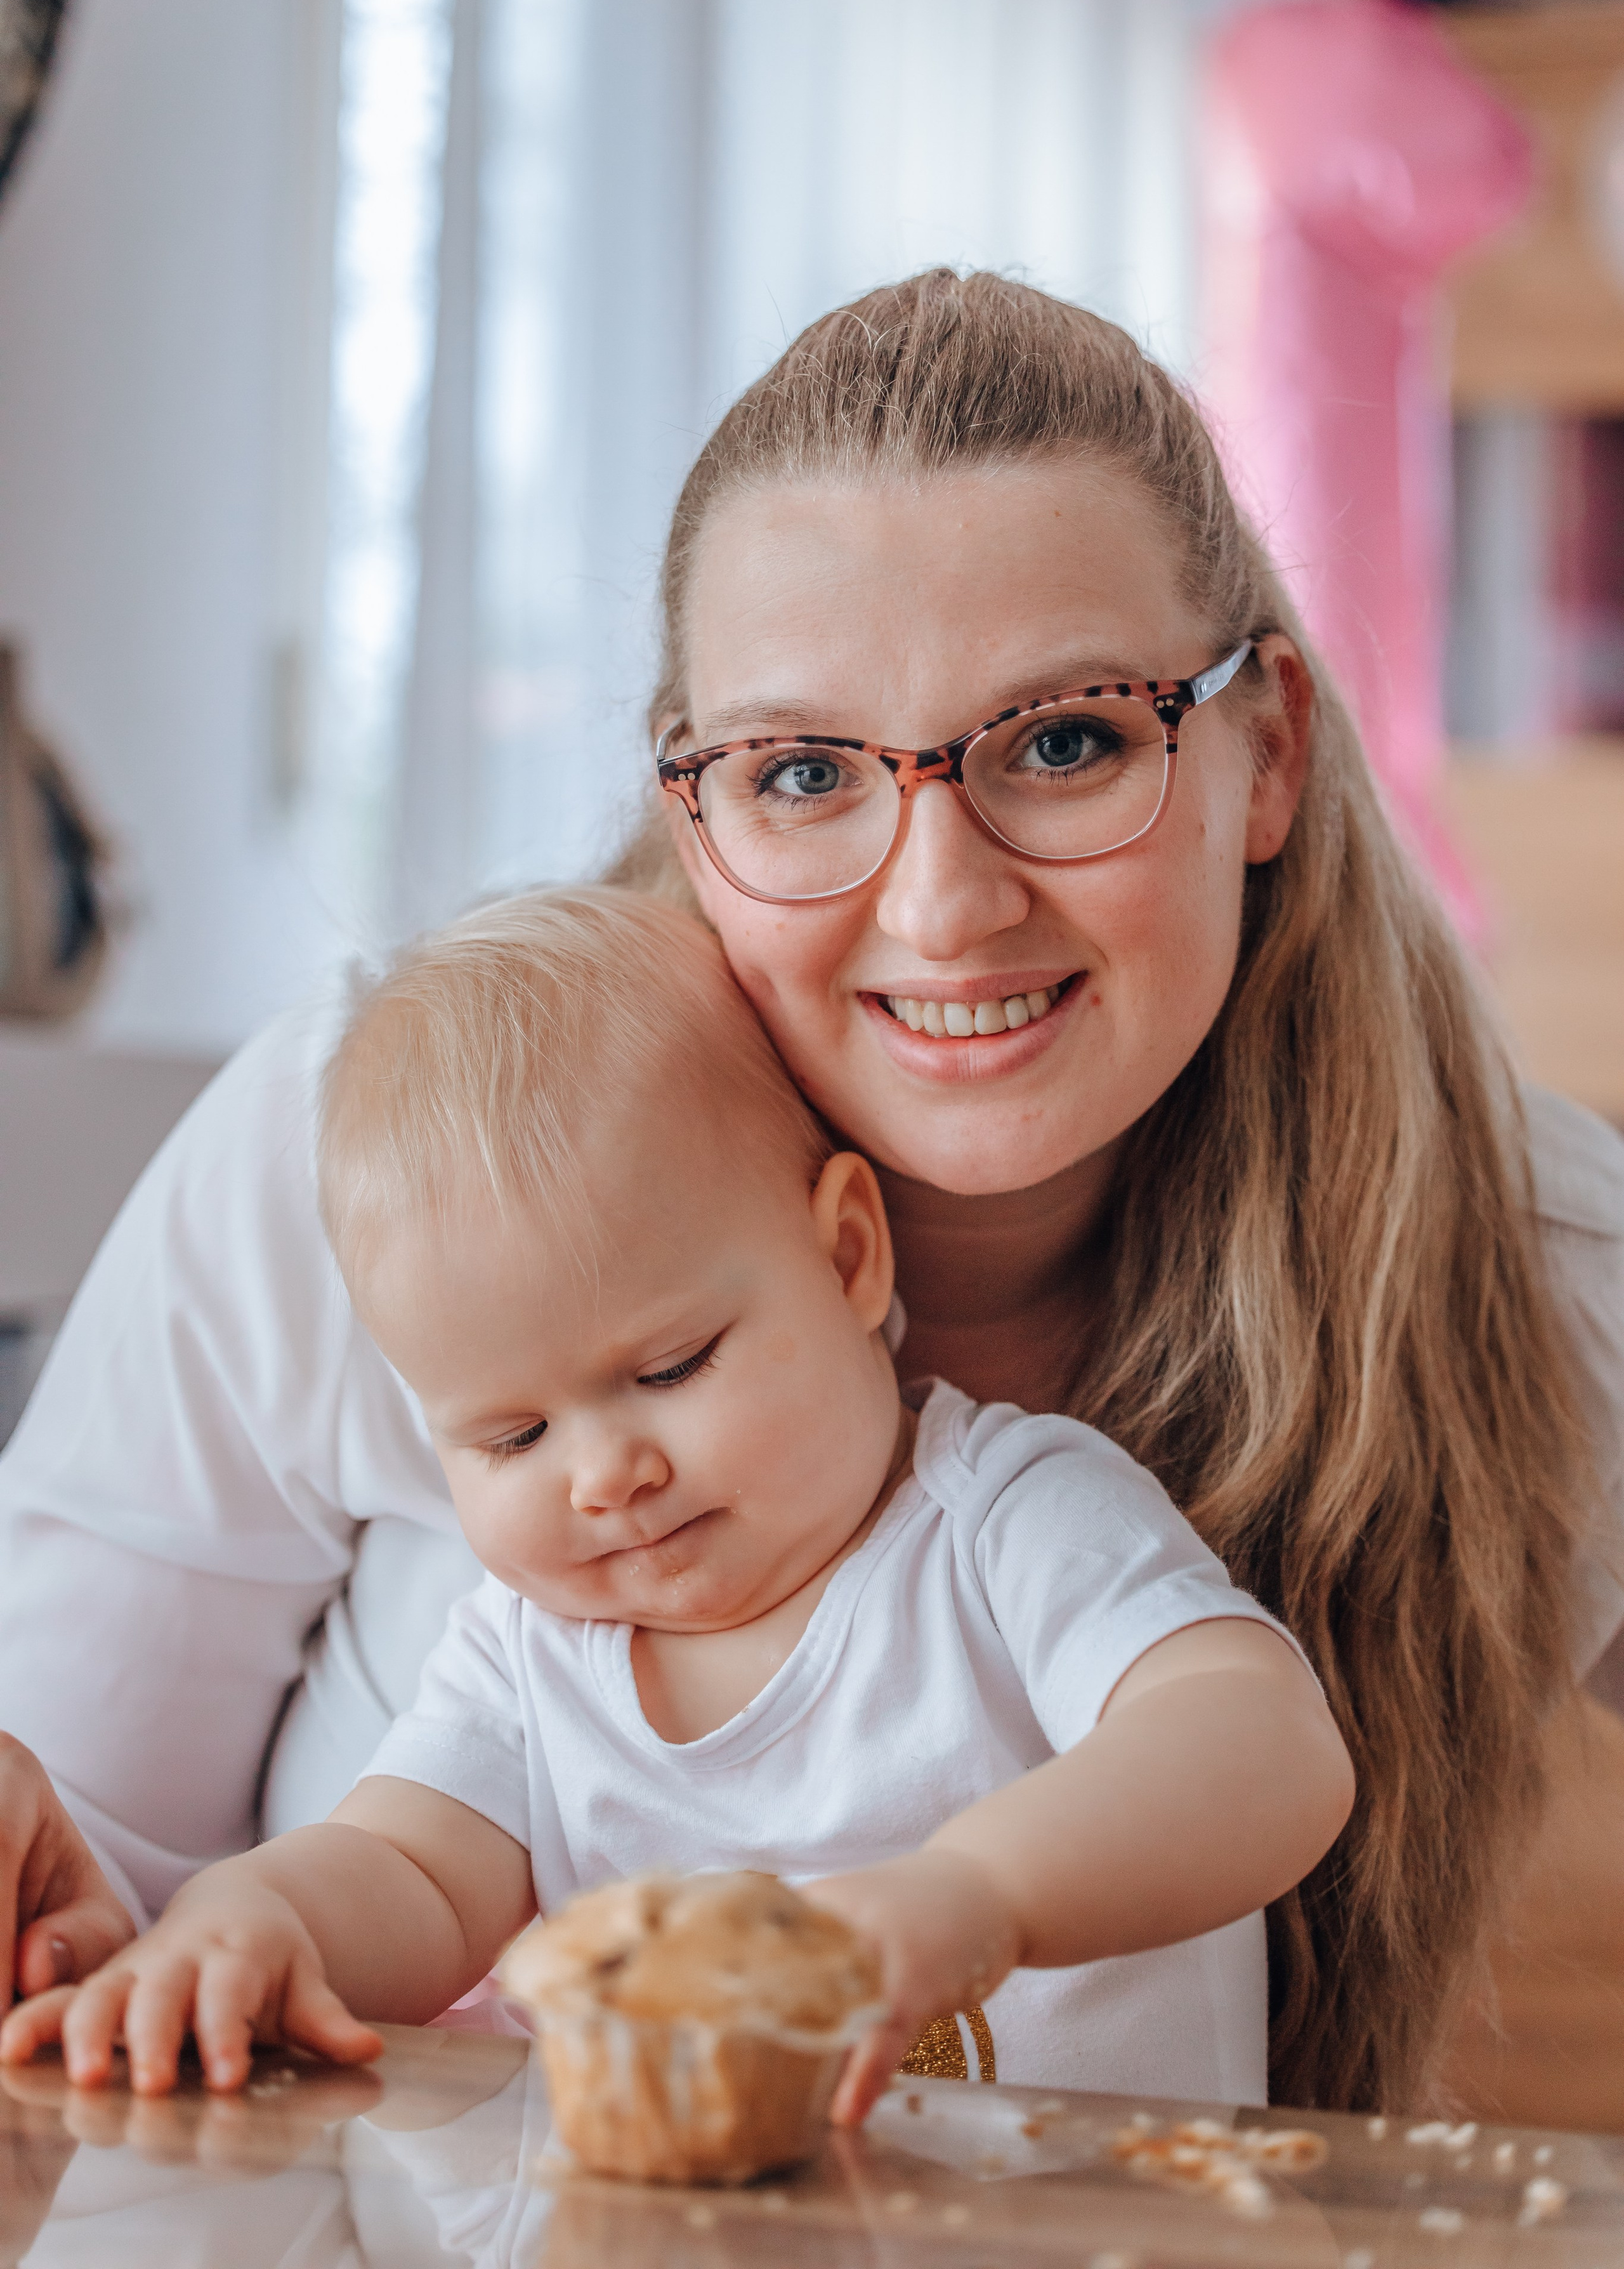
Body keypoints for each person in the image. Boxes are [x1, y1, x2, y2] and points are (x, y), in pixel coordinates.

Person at [0, 272, 1619, 2117]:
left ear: (1270, 752)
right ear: (689, 808)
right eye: (799, 770)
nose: (942, 904)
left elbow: (1242, 1750)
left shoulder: (1528, 1268)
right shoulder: (387, 1162)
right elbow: (133, 1889)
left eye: (1067, 740)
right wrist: (142, 1920)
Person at [1, 888, 1352, 2111]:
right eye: (513, 1436)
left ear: (846, 1256)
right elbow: (406, 1876)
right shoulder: (529, 1655)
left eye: (670, 1368)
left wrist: (979, 1895)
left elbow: (1262, 1745)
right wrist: (259, 1924)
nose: (604, 1477)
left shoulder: (1003, 1525)